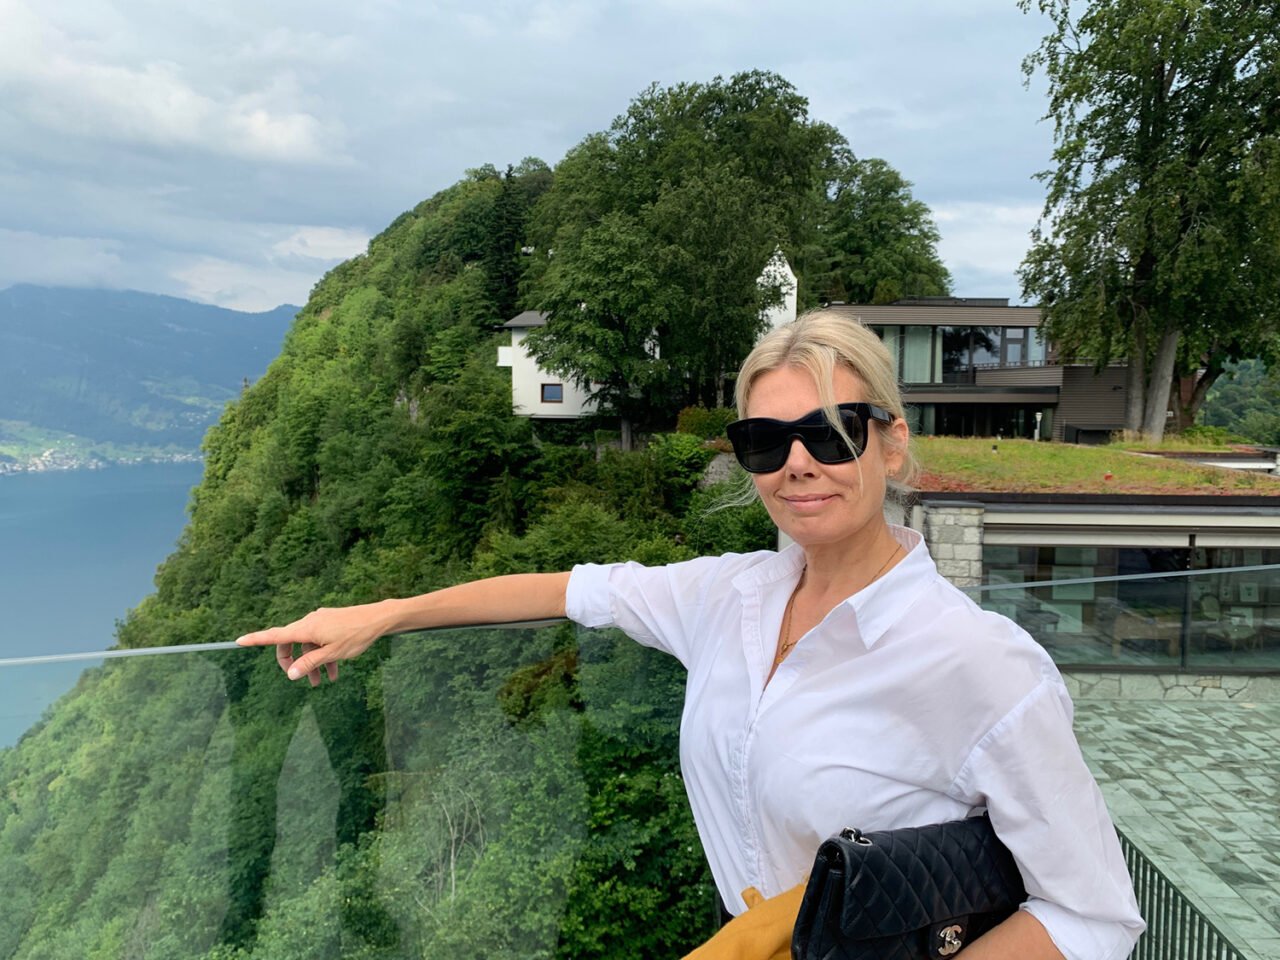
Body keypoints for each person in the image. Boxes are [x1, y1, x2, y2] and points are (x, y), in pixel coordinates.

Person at [239, 314, 1144, 959]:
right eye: (765, 441)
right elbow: (564, 591)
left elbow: (1092, 914)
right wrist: (381, 616)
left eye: (831, 433)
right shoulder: (730, 596)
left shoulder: (979, 662)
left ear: (892, 444)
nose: (798, 463)